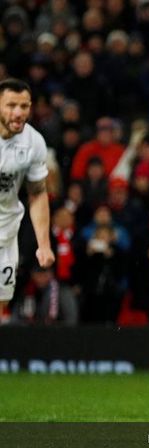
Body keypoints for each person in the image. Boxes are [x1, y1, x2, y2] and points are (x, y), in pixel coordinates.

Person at [0, 78, 55, 324]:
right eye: (11, 105)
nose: (19, 112)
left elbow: (37, 193)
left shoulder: (33, 142)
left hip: (6, 231)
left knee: (2, 301)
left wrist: (44, 245)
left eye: (24, 106)